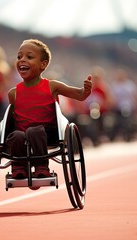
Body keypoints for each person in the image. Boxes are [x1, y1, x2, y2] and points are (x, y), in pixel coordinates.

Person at [6, 39, 92, 179]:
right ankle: (19, 167)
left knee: (34, 131)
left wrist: (86, 90)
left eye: (29, 57)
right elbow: (12, 119)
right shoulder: (13, 93)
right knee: (16, 135)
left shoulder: (52, 86)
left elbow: (79, 95)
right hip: (22, 134)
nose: (22, 60)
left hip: (49, 133)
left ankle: (41, 166)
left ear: (43, 64)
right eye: (19, 56)